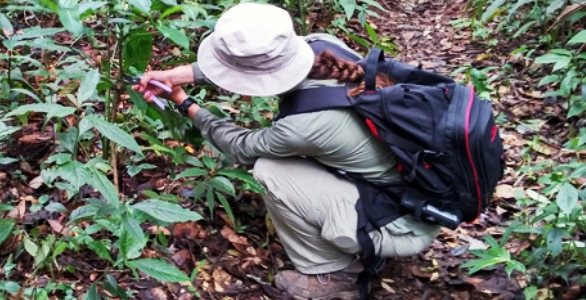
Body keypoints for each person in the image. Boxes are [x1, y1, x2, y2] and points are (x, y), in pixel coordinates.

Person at [131, 3, 441, 300]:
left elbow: (240, 147)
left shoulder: (305, 126)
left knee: (269, 169)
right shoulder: (321, 44)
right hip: (417, 189)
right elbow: (256, 64)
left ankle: (335, 275)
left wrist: (185, 102)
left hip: (404, 222)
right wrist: (178, 74)